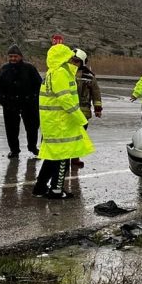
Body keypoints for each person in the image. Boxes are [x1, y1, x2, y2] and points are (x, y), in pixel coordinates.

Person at [32, 43, 95, 199]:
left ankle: (40, 188)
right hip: (61, 123)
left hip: (53, 123)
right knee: (62, 159)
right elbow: (66, 100)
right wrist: (81, 119)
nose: (73, 61)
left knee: (52, 158)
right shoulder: (61, 73)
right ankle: (56, 191)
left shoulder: (52, 72)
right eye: (70, 58)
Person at [0, 44, 42, 158]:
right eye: (10, 56)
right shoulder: (4, 69)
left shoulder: (30, 68)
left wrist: (33, 99)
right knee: (11, 129)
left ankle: (33, 147)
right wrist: (4, 102)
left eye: (15, 56)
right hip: (10, 105)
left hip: (28, 104)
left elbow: (39, 85)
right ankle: (14, 150)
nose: (13, 59)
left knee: (32, 127)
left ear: (20, 56)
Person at [71, 49, 102, 168]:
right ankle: (64, 157)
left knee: (80, 136)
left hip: (83, 112)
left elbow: (96, 92)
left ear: (82, 62)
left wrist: (98, 108)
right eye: (72, 61)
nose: (73, 63)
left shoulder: (89, 76)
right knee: (68, 136)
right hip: (67, 112)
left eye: (76, 61)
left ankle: (75, 158)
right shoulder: (64, 73)